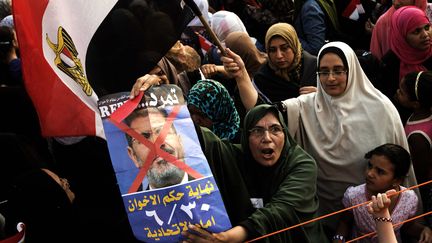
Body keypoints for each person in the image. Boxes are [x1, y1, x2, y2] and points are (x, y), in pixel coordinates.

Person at [221, 41, 417, 237]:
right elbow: (262, 110)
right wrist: (242, 76)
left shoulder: (381, 109)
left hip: (376, 218)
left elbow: (401, 165)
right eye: (323, 71)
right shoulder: (307, 107)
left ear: (352, 71)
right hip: (325, 219)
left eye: (338, 70)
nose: (330, 78)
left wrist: (416, 222)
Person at [182, 104, 328, 242]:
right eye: (257, 131)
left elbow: (280, 210)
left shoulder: (302, 164)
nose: (267, 138)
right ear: (246, 136)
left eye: (275, 129)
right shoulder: (238, 157)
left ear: (285, 133)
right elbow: (211, 144)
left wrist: (227, 238)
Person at [333, 144, 431, 243]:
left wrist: (423, 230)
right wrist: (338, 238)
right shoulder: (354, 196)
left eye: (380, 171)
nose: (370, 173)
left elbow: (407, 226)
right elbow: (344, 223)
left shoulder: (408, 199)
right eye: (370, 166)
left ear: (397, 180)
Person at [376, 6, 432, 124]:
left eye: (427, 27)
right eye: (416, 31)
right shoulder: (390, 62)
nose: (425, 35)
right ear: (401, 35)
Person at [124, 106, 192, 190]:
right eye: (144, 138)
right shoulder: (132, 202)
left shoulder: (212, 175)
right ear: (133, 156)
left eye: (162, 132)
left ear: (180, 141)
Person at [396, 71, 432, 220]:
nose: (397, 93)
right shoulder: (424, 115)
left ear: (415, 104)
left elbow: (420, 174)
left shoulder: (417, 136)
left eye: (401, 92)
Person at [252, 23, 317, 104]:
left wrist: (322, 95)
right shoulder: (262, 78)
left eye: (285, 48)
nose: (279, 56)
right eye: (272, 50)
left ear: (294, 46)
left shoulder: (316, 67)